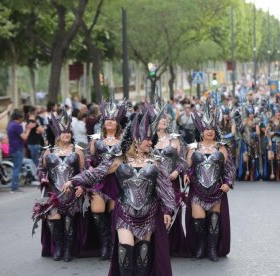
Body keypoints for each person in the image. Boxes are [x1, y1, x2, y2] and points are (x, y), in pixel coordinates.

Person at [64, 109, 175, 276]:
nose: (151, 143)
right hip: (124, 213)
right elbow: (96, 173)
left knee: (142, 257)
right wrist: (74, 180)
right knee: (125, 253)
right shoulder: (119, 160)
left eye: (151, 140)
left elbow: (165, 188)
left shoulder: (156, 162)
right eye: (147, 140)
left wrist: (167, 210)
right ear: (136, 140)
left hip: (149, 214)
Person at [184, 100, 235, 262]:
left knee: (214, 221)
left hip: (216, 189)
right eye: (206, 129)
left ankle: (212, 249)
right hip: (197, 190)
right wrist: (185, 173)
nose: (209, 131)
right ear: (201, 130)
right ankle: (201, 246)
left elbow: (230, 168)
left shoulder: (221, 147)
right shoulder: (193, 147)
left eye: (212, 129)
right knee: (198, 220)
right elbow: (186, 165)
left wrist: (228, 182)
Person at [33, 110, 85, 262]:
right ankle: (59, 246)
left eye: (68, 131)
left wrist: (81, 186)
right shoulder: (48, 151)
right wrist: (42, 178)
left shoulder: (78, 151)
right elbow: (41, 170)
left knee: (69, 221)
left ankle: (68, 249)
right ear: (57, 135)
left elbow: (83, 172)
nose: (66, 134)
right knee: (53, 219)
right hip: (53, 193)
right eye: (63, 132)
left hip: (72, 193)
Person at [87, 99, 126, 260]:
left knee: (114, 213)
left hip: (117, 181)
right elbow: (90, 158)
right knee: (97, 211)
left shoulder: (124, 141)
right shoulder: (96, 140)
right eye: (107, 120)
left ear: (117, 124)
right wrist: (90, 168)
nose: (110, 122)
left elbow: (128, 159)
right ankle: (104, 244)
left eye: (113, 120)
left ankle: (113, 246)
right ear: (103, 123)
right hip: (99, 181)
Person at [149, 100, 188, 256]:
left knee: (171, 211)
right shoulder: (147, 140)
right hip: (153, 183)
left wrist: (177, 172)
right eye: (160, 119)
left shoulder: (175, 139)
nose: (163, 121)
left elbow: (183, 159)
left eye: (165, 119)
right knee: (154, 212)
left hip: (172, 181)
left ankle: (172, 245)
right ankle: (156, 245)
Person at [7, 110, 35, 193]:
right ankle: (14, 187)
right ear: (19, 117)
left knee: (16, 168)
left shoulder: (10, 124)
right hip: (17, 149)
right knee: (17, 168)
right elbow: (25, 137)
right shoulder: (17, 125)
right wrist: (29, 129)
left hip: (12, 148)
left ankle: (14, 186)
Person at [265, 104, 280, 181]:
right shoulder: (270, 121)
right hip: (272, 142)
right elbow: (266, 132)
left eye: (279, 112)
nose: (278, 114)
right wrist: (269, 140)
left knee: (278, 159)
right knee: (270, 157)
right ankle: (272, 173)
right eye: (276, 113)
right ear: (274, 113)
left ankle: (278, 175)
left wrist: (274, 132)